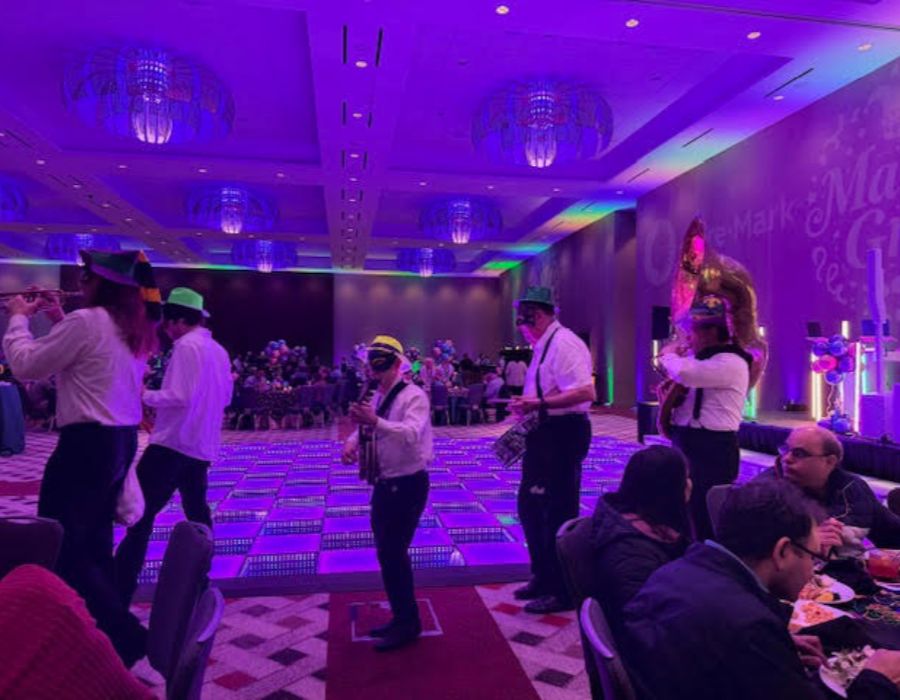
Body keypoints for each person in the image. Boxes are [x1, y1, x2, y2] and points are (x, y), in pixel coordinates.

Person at [2, 250, 161, 666]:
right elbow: (92, 359)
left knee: (65, 546)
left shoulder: (88, 322)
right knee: (95, 544)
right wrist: (59, 319)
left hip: (86, 444)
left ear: (100, 283)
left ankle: (127, 636)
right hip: (119, 440)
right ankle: (100, 638)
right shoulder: (130, 326)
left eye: (85, 277)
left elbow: (26, 366)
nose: (79, 283)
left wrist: (18, 318)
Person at [624, 480, 900, 699]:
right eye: (812, 557)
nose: (811, 570)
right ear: (782, 552)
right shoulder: (747, 628)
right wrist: (876, 677)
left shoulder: (678, 569)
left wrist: (775, 651)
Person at [114, 287, 232, 607]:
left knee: (139, 515)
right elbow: (226, 398)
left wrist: (143, 394)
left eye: (167, 323)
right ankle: (200, 578)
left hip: (172, 443)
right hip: (201, 445)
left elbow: (180, 396)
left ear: (178, 321)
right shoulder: (218, 350)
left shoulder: (186, 346)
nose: (166, 330)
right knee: (197, 514)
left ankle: (120, 585)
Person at [342, 335, 432, 651]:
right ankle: (401, 617)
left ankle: (408, 623)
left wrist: (375, 421)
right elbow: (367, 426)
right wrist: (352, 441)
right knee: (386, 554)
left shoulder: (413, 396)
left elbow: (410, 434)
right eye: (373, 369)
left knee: (394, 553)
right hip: (384, 482)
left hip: (408, 484)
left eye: (380, 369)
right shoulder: (379, 395)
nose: (375, 375)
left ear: (396, 365)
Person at [510, 287, 595, 614]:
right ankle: (543, 576)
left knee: (557, 510)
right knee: (531, 507)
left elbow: (585, 392)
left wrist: (539, 403)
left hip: (563, 433)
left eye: (525, 321)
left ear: (540, 315)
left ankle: (562, 589)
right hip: (544, 431)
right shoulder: (543, 345)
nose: (522, 328)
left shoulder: (564, 343)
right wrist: (529, 405)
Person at [658, 295, 751, 539]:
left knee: (706, 511)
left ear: (711, 332)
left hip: (713, 446)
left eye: (693, 332)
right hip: (686, 439)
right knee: (682, 507)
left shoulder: (731, 361)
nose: (689, 339)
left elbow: (685, 374)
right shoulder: (701, 360)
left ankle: (709, 555)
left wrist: (668, 354)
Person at [590, 446, 691, 639]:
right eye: (685, 479)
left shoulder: (658, 525)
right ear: (669, 490)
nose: (690, 484)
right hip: (656, 645)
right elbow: (640, 628)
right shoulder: (630, 555)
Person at [759, 425, 900, 557]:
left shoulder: (853, 489)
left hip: (852, 572)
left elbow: (892, 535)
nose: (786, 459)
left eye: (799, 454)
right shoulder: (764, 491)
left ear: (829, 462)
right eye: (785, 450)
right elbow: (752, 552)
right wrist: (806, 544)